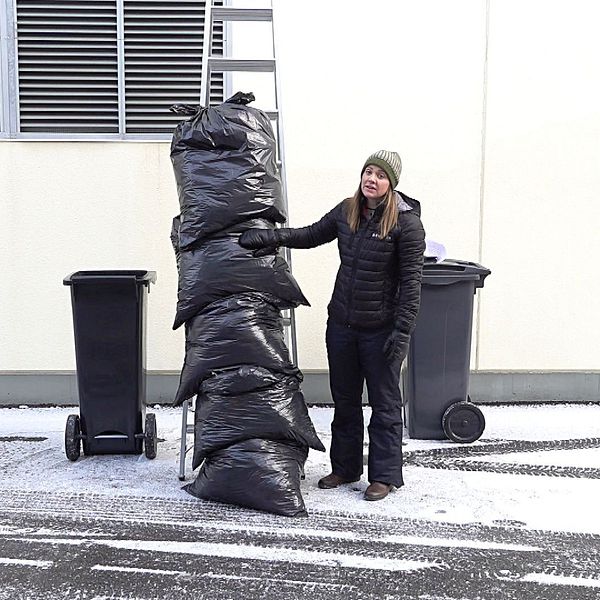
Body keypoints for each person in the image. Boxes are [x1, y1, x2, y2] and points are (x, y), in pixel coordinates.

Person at [239, 150, 425, 501]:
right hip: (341, 324)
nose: (372, 179)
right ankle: (345, 467)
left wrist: (402, 332)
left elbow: (412, 283)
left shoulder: (407, 225)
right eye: (368, 172)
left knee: (385, 405)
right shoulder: (347, 210)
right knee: (345, 399)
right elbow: (311, 234)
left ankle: (383, 475)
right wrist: (271, 238)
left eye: (380, 175)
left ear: (392, 183)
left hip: (381, 330)